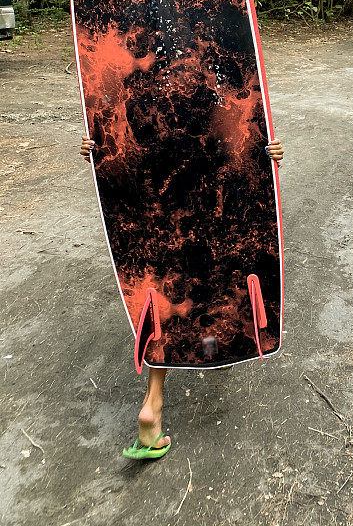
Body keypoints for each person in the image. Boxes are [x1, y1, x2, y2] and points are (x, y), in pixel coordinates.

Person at [80, 134, 284, 459]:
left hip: (164, 216)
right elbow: (230, 135)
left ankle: (152, 406)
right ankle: (215, 351)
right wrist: (262, 152)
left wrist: (102, 151)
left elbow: (130, 146)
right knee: (217, 281)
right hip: (210, 205)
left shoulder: (151, 99)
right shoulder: (205, 91)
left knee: (169, 304)